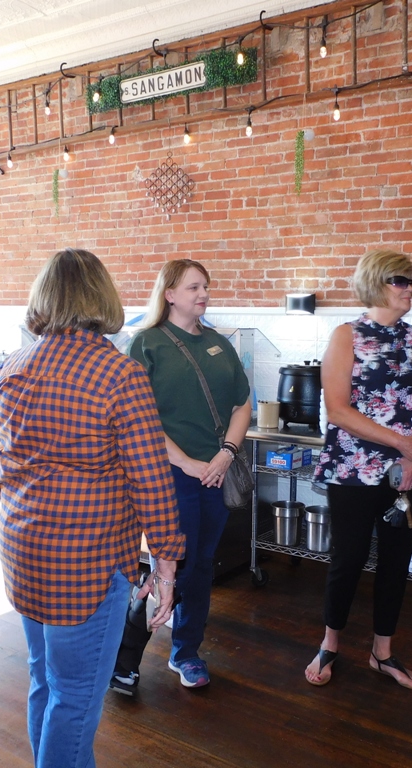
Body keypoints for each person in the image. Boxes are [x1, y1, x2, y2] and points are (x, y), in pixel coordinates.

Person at [0, 248, 184, 768]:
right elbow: (151, 481)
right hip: (87, 564)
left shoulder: (12, 367)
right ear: (103, 297)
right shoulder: (119, 374)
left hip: (23, 551)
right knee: (74, 696)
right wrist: (166, 565)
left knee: (45, 680)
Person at [305, 249, 412, 691]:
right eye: (401, 280)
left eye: (410, 280)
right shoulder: (347, 336)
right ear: (377, 283)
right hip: (354, 470)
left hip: (408, 471)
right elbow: (337, 410)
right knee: (347, 559)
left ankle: (382, 653)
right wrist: (405, 444)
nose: (410, 288)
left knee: (396, 561)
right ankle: (330, 643)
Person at [128, 259, 252, 688]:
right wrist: (186, 462)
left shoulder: (219, 343)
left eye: (206, 286)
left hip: (216, 474)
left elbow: (242, 405)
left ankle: (185, 651)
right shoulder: (146, 344)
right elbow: (139, 419)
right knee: (170, 564)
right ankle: (126, 654)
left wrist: (226, 455)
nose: (204, 294)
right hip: (169, 476)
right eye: (193, 287)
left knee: (200, 565)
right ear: (169, 295)